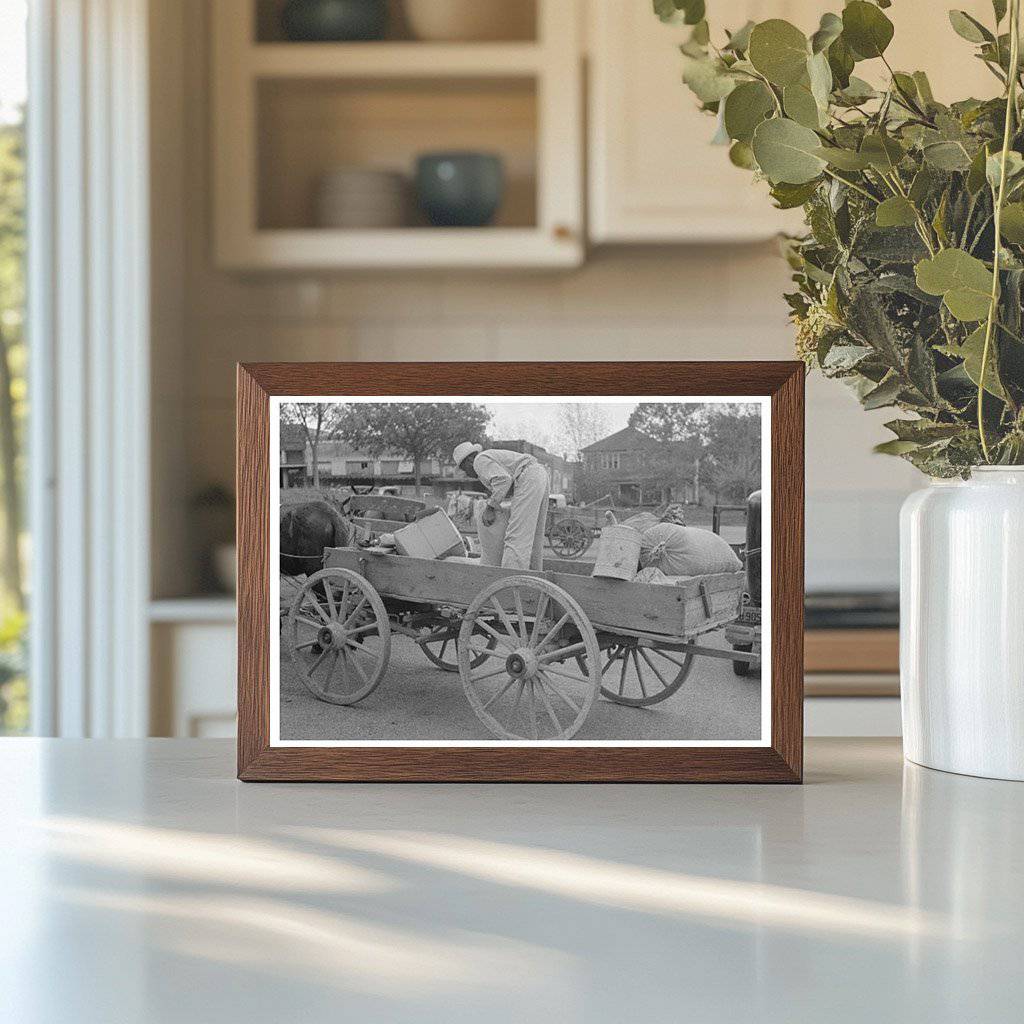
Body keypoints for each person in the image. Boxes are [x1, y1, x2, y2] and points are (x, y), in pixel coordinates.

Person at [452, 442, 550, 570]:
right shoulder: (490, 459)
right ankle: (534, 575)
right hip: (539, 474)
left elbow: (504, 480)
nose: (468, 474)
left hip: (528, 477)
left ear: (468, 461)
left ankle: (512, 579)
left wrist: (490, 507)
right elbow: (506, 485)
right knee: (534, 536)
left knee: (516, 537)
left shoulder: (479, 461)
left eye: (465, 470)